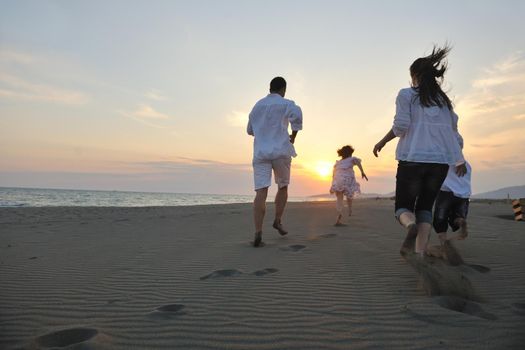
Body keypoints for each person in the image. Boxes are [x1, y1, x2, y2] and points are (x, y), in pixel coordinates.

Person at [372, 44, 467, 257]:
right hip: (439, 164)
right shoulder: (444, 102)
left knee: (403, 208)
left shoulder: (406, 95)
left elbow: (401, 126)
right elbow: (455, 135)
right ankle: (420, 256)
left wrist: (383, 141)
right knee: (425, 207)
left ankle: (409, 226)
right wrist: (458, 160)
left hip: (412, 160)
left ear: (414, 75)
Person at [247, 77, 303, 247]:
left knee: (261, 192)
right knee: (283, 186)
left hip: (261, 153)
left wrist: (263, 132)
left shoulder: (257, 106)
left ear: (269, 88)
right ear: (283, 89)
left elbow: (250, 130)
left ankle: (258, 232)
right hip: (280, 151)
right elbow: (297, 117)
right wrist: (293, 136)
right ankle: (278, 220)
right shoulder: (287, 103)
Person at [433, 160, 472, 242]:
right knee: (457, 217)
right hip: (463, 195)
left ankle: (444, 245)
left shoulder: (445, 160)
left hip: (446, 192)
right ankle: (461, 221)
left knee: (440, 220)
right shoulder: (467, 165)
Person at [329, 145, 368, 226]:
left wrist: (333, 182)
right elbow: (358, 163)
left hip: (338, 180)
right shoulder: (352, 159)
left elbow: (334, 172)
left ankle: (338, 218)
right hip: (347, 179)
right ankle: (350, 209)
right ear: (350, 153)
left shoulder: (338, 162)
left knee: (339, 199)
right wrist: (362, 172)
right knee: (349, 194)